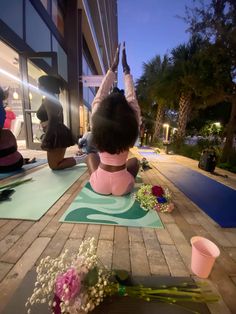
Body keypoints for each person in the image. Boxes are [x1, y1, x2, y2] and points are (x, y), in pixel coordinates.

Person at [86, 42, 141, 196]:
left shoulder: (97, 120)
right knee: (135, 162)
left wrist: (112, 68)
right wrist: (126, 69)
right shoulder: (132, 123)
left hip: (99, 185)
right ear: (126, 109)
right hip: (124, 186)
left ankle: (99, 179)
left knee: (91, 156)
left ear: (105, 107)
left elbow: (100, 95)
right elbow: (132, 99)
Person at [36, 75, 86, 170]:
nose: (38, 87)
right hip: (57, 132)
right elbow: (58, 120)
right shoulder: (52, 99)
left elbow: (53, 120)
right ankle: (83, 158)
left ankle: (84, 158)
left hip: (55, 132)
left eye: (39, 85)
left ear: (45, 86)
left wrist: (46, 139)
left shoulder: (49, 100)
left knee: (55, 165)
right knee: (55, 163)